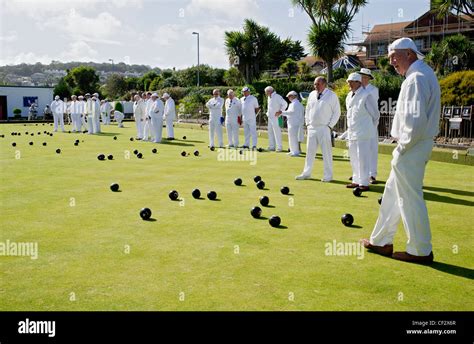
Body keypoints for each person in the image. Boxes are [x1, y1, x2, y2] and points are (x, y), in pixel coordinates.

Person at [361, 37, 441, 265]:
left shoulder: (416, 78)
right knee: (392, 194)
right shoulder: (421, 75)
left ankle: (420, 250)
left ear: (409, 54)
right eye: (389, 57)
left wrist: (403, 146)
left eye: (394, 56)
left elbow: (415, 121)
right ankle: (381, 241)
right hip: (414, 145)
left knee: (410, 197)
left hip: (411, 146)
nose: (391, 61)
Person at [296, 77, 340, 181]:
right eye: (315, 84)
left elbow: (337, 112)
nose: (316, 86)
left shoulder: (332, 95)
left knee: (326, 153)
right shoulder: (311, 94)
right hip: (312, 127)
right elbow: (307, 109)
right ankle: (306, 173)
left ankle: (328, 176)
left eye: (318, 84)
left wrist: (329, 126)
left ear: (324, 84)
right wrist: (307, 124)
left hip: (324, 127)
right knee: (309, 152)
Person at [345, 72, 379, 192]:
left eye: (351, 82)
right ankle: (356, 180)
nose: (349, 84)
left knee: (363, 158)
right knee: (354, 157)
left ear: (358, 83)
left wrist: (370, 129)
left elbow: (376, 115)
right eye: (348, 82)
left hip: (364, 133)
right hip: (352, 132)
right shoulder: (349, 96)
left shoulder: (367, 95)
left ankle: (364, 182)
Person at [358, 68, 380, 184]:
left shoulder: (373, 90)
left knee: (372, 149)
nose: (363, 79)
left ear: (369, 78)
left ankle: (372, 175)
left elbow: (372, 107)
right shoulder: (357, 90)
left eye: (365, 77)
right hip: (360, 124)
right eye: (362, 77)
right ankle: (360, 174)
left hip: (371, 122)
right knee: (360, 149)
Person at [281, 91, 304, 157]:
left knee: (294, 138)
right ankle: (292, 151)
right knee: (291, 137)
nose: (288, 98)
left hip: (294, 123)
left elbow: (291, 112)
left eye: (289, 96)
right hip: (292, 123)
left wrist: (281, 112)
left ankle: (296, 152)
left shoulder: (295, 104)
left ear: (294, 96)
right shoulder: (294, 104)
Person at [265, 86, 287, 151]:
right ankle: (272, 147)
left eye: (266, 92)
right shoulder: (269, 97)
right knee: (270, 132)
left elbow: (285, 104)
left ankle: (279, 147)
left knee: (277, 132)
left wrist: (280, 111)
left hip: (276, 117)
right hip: (270, 117)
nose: (266, 94)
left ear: (270, 91)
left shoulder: (277, 96)